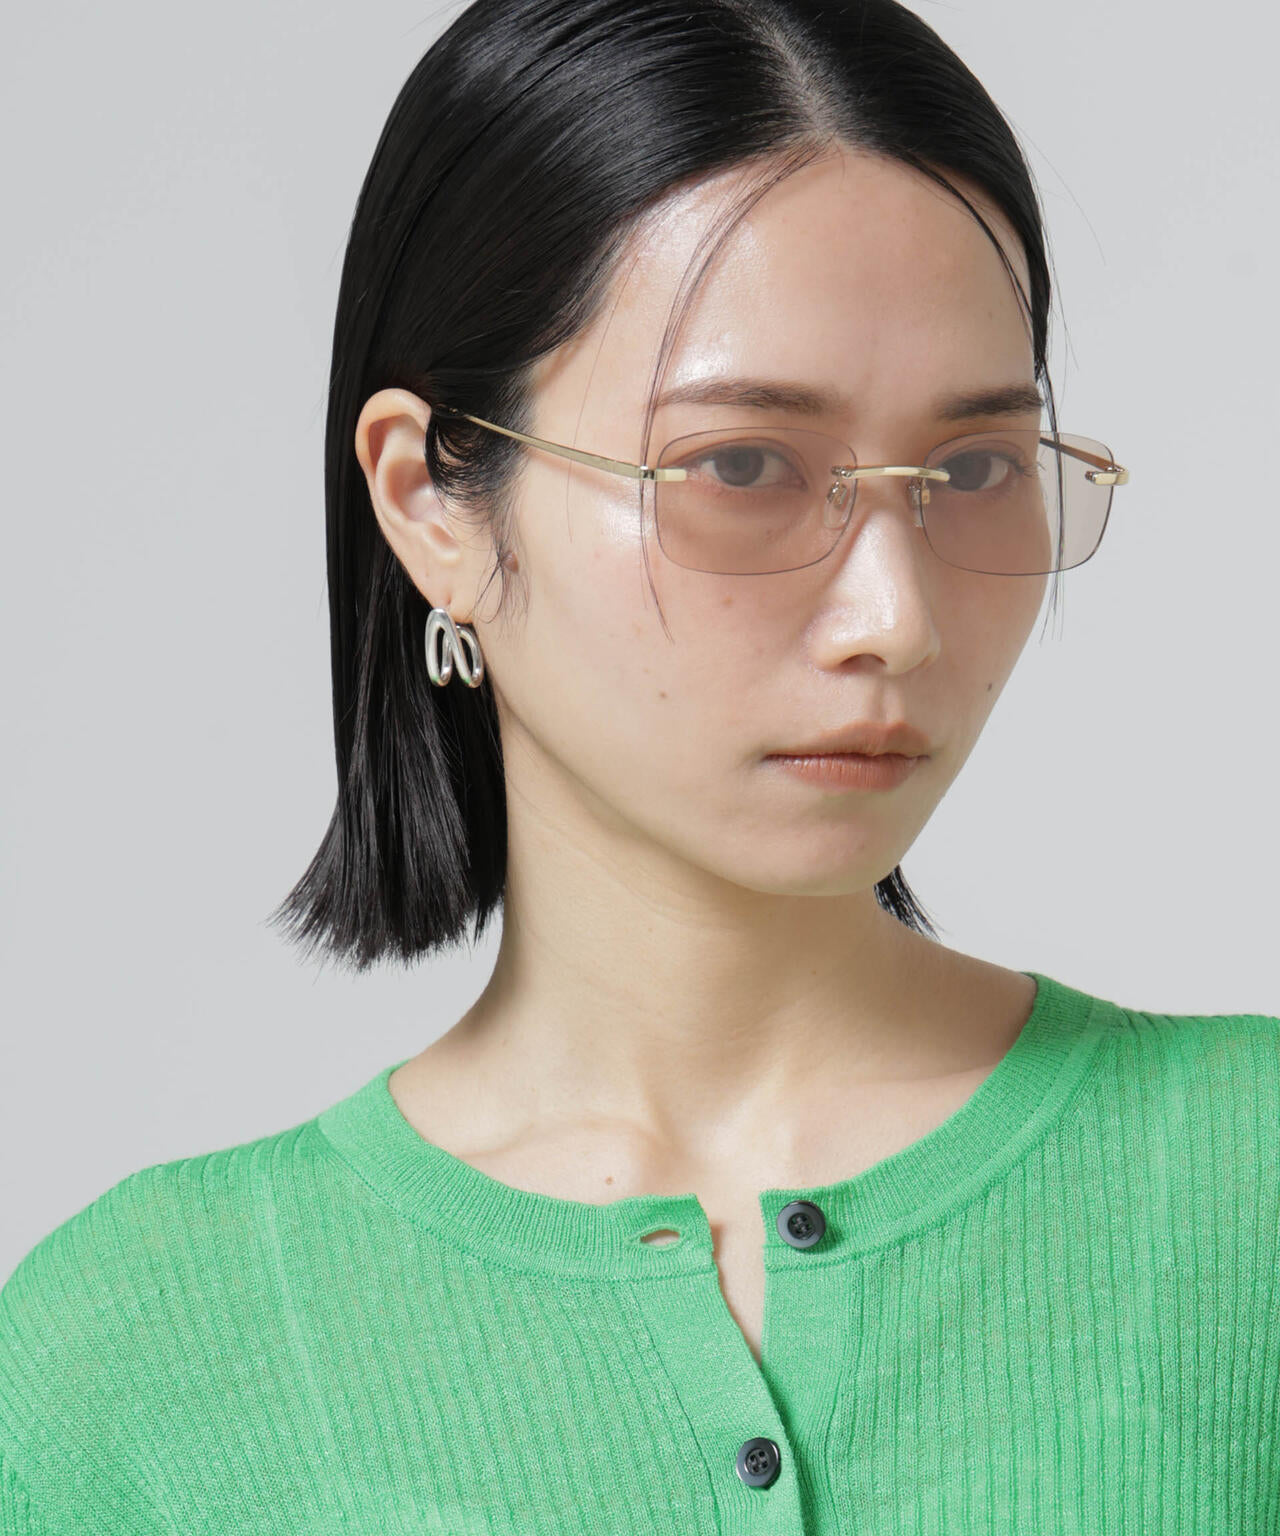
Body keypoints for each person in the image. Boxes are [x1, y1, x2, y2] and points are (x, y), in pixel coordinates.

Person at [2, 1, 1277, 1530]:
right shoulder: (127, 1363)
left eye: (975, 469)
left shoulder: (1249, 1187)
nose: (897, 617)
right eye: (741, 466)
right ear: (434, 505)